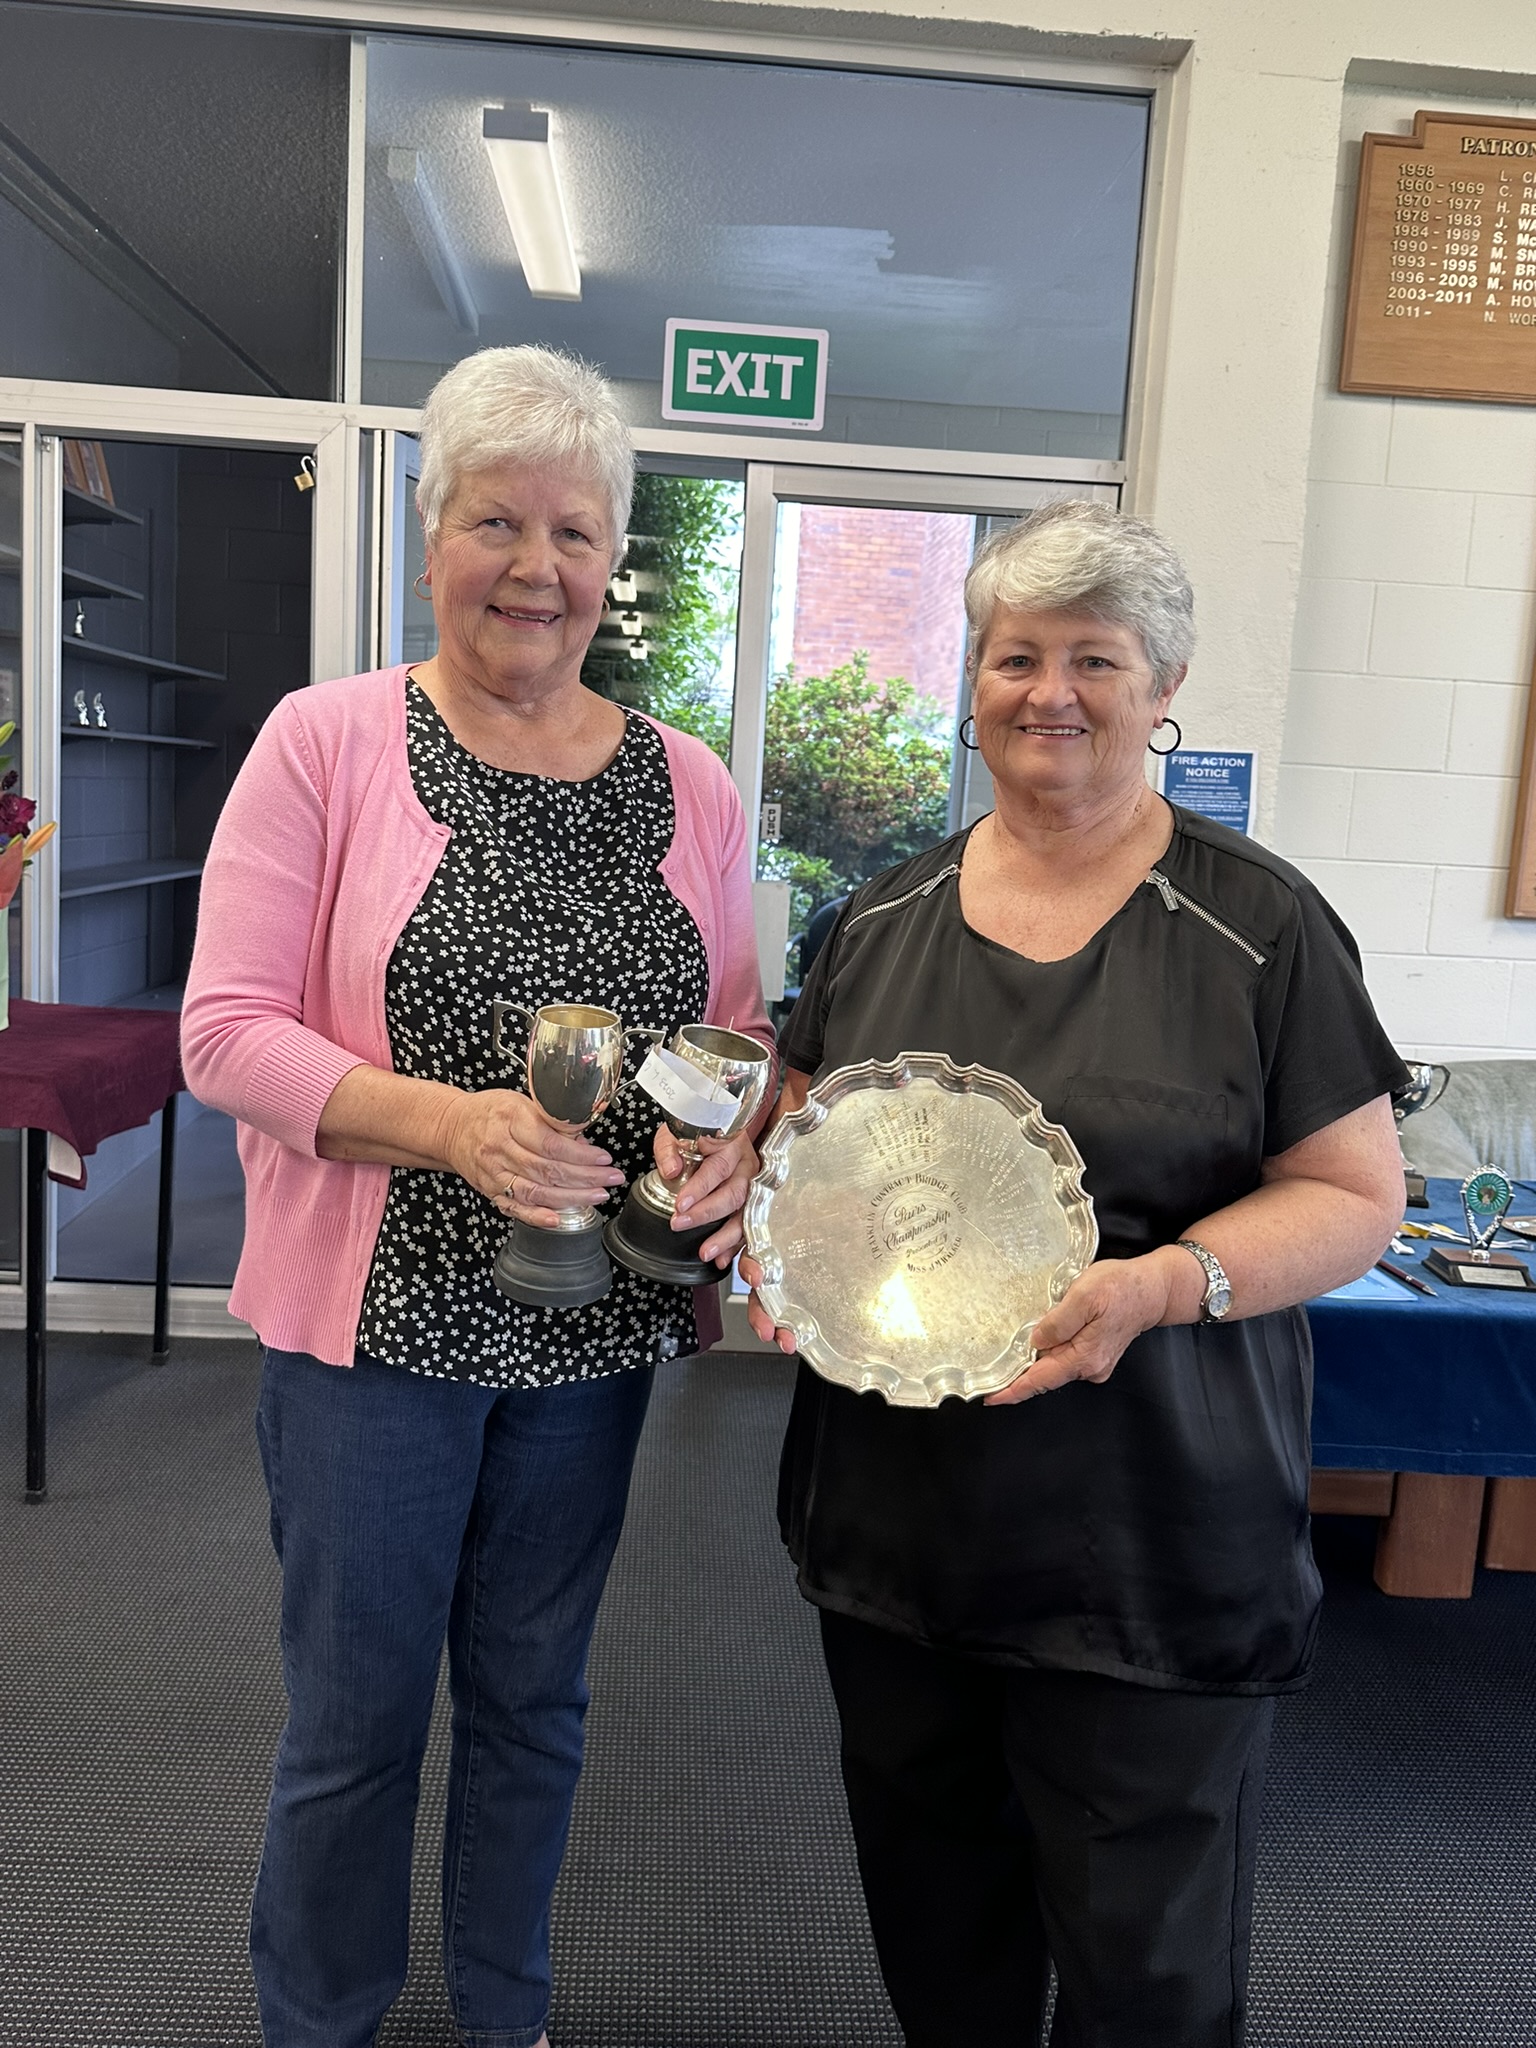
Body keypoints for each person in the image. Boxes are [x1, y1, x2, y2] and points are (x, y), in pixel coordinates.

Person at [743, 499, 1406, 2048]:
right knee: (942, 1946)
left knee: (1147, 1981)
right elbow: (808, 1148)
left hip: (1151, 1549)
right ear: (972, 681)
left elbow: (1354, 1196)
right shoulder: (880, 918)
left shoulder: (1263, 927)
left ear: (1163, 686)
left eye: (1095, 659)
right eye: (1016, 656)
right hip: (901, 1533)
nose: (1051, 692)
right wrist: (773, 1229)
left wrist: (1164, 1282)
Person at [181, 344, 771, 2048]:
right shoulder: (327, 744)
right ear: (432, 535)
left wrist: (726, 1141)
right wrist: (454, 1129)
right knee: (356, 1723)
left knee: (535, 1707)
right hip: (376, 1338)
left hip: (589, 1337)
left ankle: (506, 2014)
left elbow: (730, 1037)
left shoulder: (688, 782)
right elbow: (225, 1034)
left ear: (613, 561)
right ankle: (324, 2020)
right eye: (497, 522)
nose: (537, 566)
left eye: (575, 532)